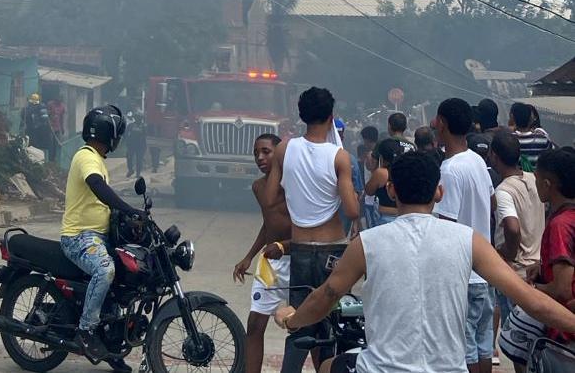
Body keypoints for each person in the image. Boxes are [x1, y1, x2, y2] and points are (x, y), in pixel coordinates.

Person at [273, 151, 575, 373]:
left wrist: (292, 319)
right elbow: (531, 300)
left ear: (391, 190)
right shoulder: (468, 240)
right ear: (439, 192)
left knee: (328, 367)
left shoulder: (366, 243)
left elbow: (327, 295)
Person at [265, 87, 359, 372]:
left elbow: (270, 199)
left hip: (302, 248)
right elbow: (353, 211)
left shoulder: (284, 149)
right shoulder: (338, 157)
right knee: (331, 323)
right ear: (331, 117)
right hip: (332, 249)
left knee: (300, 320)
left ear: (301, 115)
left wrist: (296, 199)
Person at [59, 105, 140, 372]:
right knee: (106, 270)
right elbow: (97, 187)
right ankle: (86, 331)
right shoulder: (87, 158)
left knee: (121, 284)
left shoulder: (97, 158)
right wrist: (128, 208)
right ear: (111, 134)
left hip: (96, 237)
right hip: (79, 237)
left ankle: (113, 347)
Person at [433, 98, 496, 373]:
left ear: (442, 123)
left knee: (465, 347)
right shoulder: (477, 162)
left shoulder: (450, 170)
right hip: (485, 270)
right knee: (483, 344)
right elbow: (492, 204)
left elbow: (445, 224)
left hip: (462, 274)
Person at [500, 147, 575, 371]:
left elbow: (562, 289)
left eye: (538, 178)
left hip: (563, 336)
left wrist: (531, 288)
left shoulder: (561, 225)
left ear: (547, 184)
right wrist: (544, 267)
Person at [233, 134, 303, 373]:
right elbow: (268, 224)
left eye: (266, 152)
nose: (260, 158)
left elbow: (309, 230)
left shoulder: (295, 184)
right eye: (256, 154)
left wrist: (284, 245)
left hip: (298, 261)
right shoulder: (258, 187)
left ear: (280, 153)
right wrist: (248, 256)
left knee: (304, 327)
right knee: (254, 325)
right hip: (270, 264)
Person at [489, 132, 545, 323]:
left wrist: (506, 255)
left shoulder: (504, 191)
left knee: (513, 334)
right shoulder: (533, 179)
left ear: (494, 156)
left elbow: (512, 229)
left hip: (517, 272)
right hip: (538, 268)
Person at [364, 139, 403, 226]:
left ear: (381, 157)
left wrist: (374, 170)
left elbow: (369, 190)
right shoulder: (405, 170)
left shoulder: (381, 173)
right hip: (402, 216)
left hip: (386, 217)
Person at [336, 118, 364, 235]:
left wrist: (356, 221)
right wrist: (356, 221)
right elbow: (357, 193)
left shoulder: (308, 158)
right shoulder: (349, 159)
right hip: (341, 221)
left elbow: (357, 193)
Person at [510, 102, 553, 169]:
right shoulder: (543, 139)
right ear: (531, 119)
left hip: (516, 178)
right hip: (538, 178)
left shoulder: (509, 140)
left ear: (512, 118)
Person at [359, 126, 380, 229]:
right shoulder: (382, 154)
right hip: (379, 199)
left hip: (371, 199)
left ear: (366, 139)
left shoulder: (370, 156)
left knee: (372, 227)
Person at [21, 93, 53, 157]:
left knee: (30, 148)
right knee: (42, 149)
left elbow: (23, 118)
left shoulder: (26, 108)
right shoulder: (41, 106)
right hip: (40, 132)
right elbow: (45, 119)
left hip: (29, 131)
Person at [125, 112, 147, 178]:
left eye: (139, 118)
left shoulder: (144, 126)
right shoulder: (131, 125)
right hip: (131, 145)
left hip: (140, 146)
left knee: (139, 160)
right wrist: (127, 142)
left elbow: (146, 136)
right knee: (129, 158)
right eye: (137, 117)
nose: (138, 119)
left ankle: (138, 173)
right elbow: (126, 134)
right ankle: (130, 170)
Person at [46, 97, 66, 163]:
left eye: (60, 102)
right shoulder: (50, 104)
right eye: (57, 102)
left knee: (56, 143)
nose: (59, 104)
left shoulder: (62, 106)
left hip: (57, 127)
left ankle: (54, 158)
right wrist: (49, 124)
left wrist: (62, 128)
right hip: (50, 127)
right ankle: (50, 159)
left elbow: (62, 118)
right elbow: (47, 115)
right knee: (50, 143)